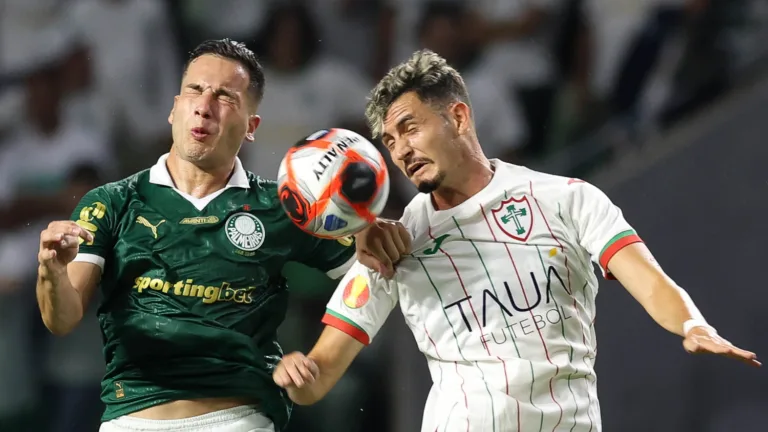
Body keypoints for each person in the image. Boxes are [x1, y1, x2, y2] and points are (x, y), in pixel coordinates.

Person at [272, 49, 760, 431]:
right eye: (390, 142)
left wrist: (691, 325)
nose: (401, 150)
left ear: (459, 118)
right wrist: (298, 376)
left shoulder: (567, 199)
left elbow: (650, 281)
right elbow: (320, 375)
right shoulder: (391, 246)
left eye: (410, 128)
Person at [36, 39, 408, 432]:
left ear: (251, 127)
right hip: (131, 420)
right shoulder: (112, 202)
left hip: (238, 420)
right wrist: (51, 272)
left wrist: (322, 362)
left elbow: (379, 273)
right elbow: (61, 319)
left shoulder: (284, 208)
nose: (204, 106)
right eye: (194, 90)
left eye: (225, 96)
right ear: (174, 107)